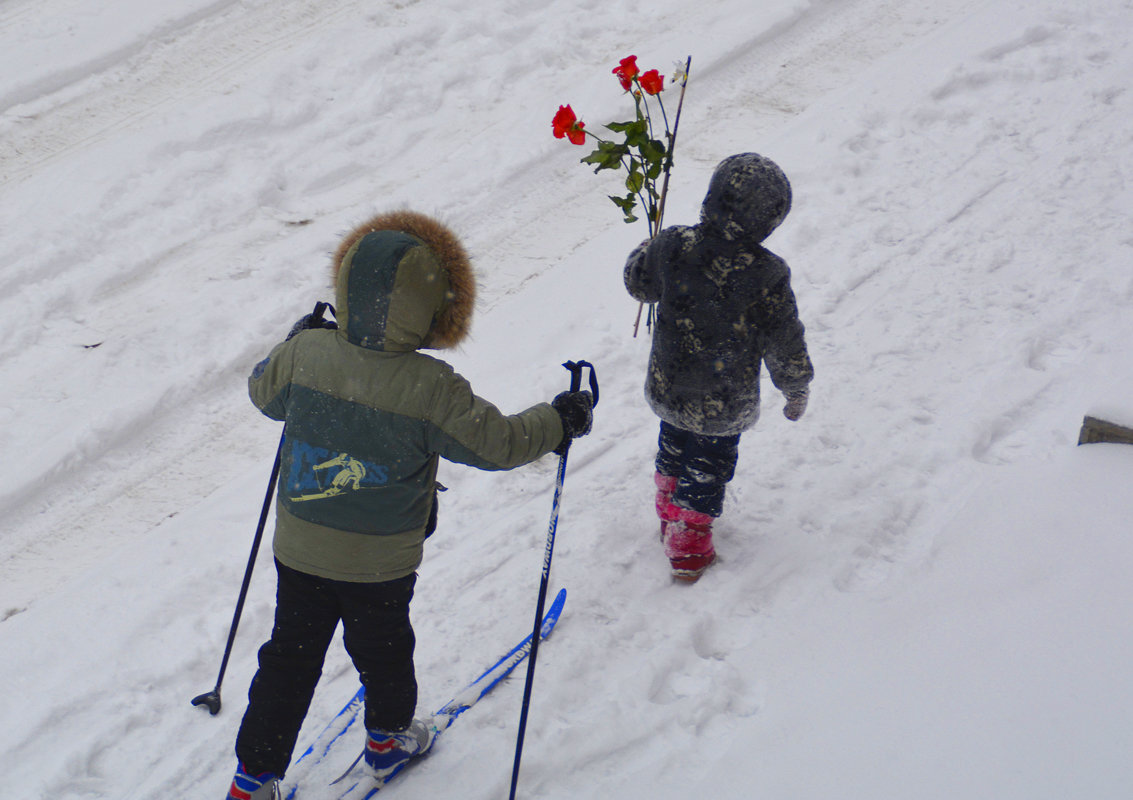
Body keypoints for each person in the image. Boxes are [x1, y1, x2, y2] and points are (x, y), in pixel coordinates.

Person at [225, 210, 594, 800]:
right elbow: (499, 444)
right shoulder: (431, 387)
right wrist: (559, 419)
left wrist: (295, 341)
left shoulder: (307, 355)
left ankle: (252, 779)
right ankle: (388, 738)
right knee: (385, 650)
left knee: (289, 659)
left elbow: (263, 392)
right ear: (429, 310)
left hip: (300, 549)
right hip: (380, 565)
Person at [623, 153, 814, 582]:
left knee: (673, 444)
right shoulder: (766, 274)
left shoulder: (674, 244)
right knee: (707, 465)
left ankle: (668, 510)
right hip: (722, 402)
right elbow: (784, 339)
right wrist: (796, 384)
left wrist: (646, 250)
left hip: (670, 385)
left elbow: (639, 283)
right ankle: (688, 547)